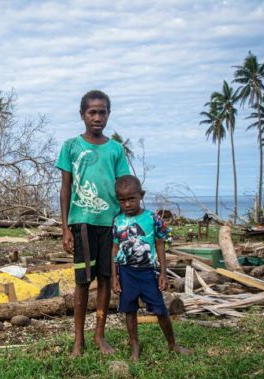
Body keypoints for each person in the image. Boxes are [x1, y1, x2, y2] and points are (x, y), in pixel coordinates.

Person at [56, 90, 130, 357]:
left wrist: (128, 222)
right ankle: (78, 339)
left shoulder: (116, 149)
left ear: (108, 114)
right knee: (83, 281)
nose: (97, 117)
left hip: (110, 224)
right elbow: (65, 188)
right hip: (82, 223)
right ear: (82, 115)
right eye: (92, 112)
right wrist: (65, 228)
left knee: (106, 279)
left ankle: (99, 335)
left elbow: (123, 187)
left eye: (102, 112)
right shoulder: (71, 146)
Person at [111, 175, 192, 361]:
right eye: (122, 200)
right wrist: (115, 277)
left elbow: (160, 245)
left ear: (141, 195)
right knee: (129, 310)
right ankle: (135, 347)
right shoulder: (117, 221)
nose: (127, 204)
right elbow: (114, 248)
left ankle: (173, 345)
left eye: (131, 199)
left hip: (149, 272)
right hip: (126, 273)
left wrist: (163, 273)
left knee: (160, 310)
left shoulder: (153, 218)